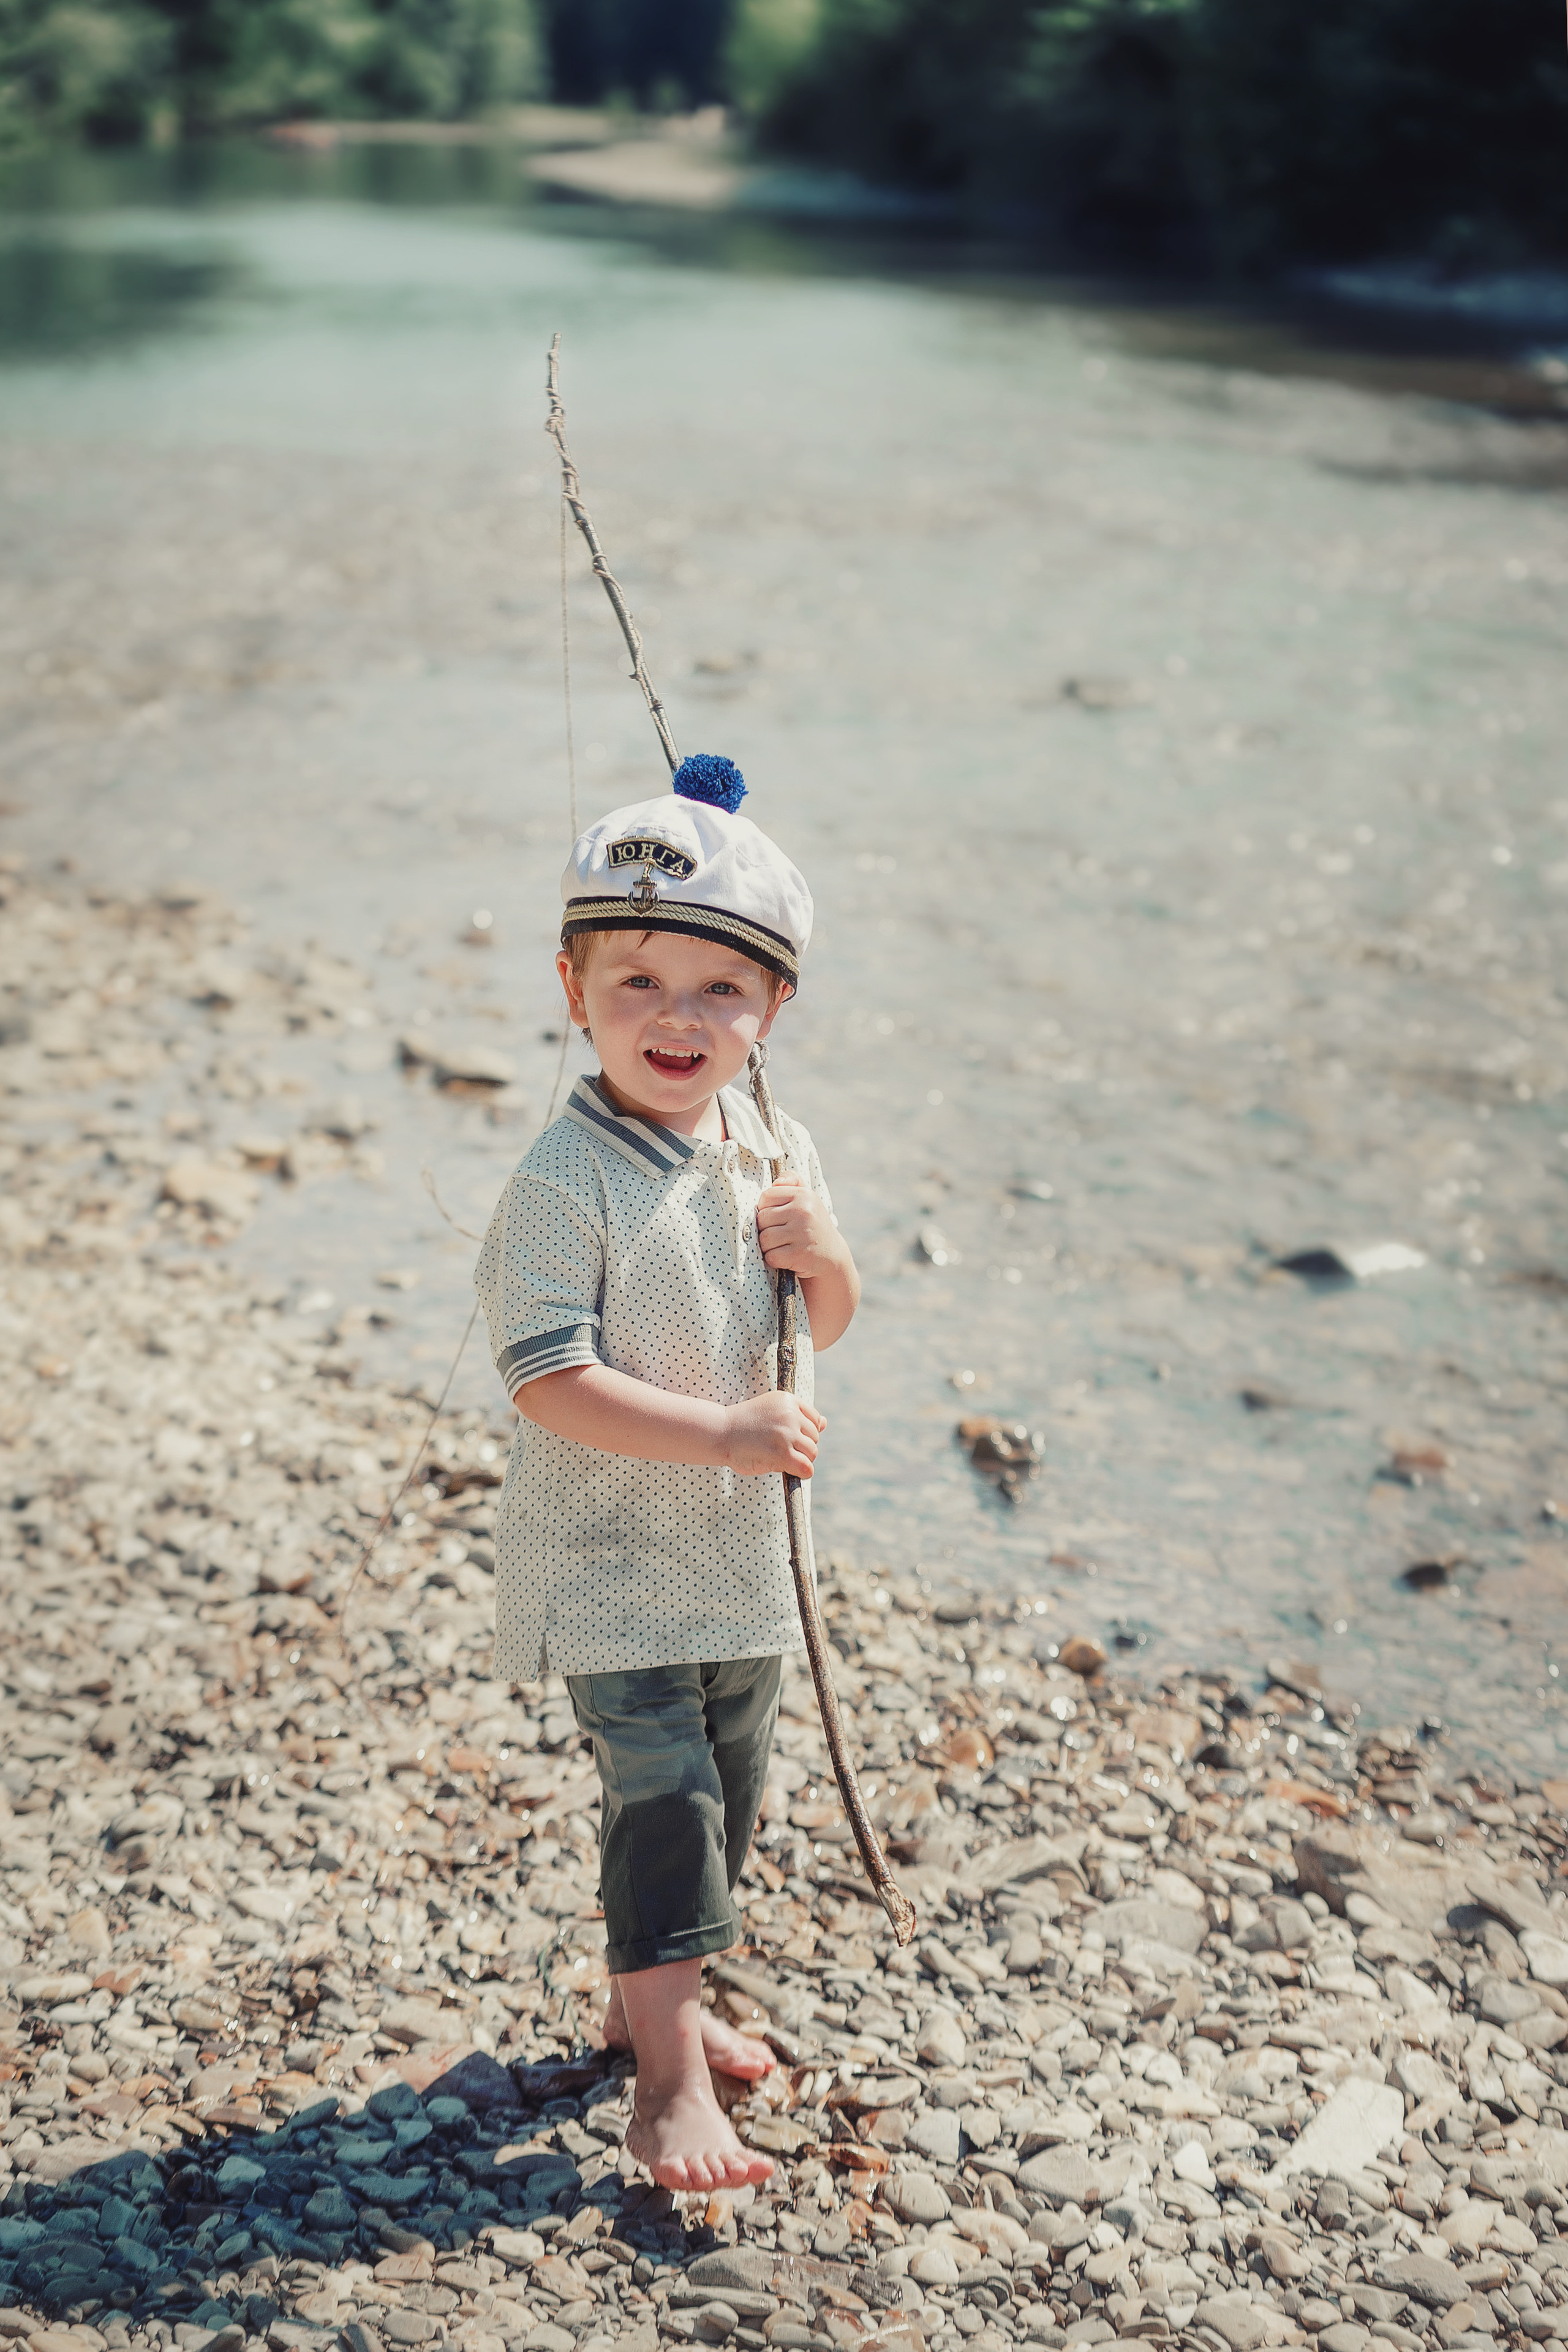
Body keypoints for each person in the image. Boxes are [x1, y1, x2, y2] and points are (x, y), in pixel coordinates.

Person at [474, 755, 860, 2192]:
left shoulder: (771, 1139)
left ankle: (661, 1995)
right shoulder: (560, 1180)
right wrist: (724, 1437)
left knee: (731, 1790)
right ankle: (665, 2083)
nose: (677, 1020)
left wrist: (825, 1261)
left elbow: (813, 1326)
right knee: (665, 1799)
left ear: (774, 1010)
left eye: (720, 991)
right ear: (573, 991)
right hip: (611, 1560)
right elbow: (545, 1378)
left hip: (740, 1562)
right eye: (635, 984)